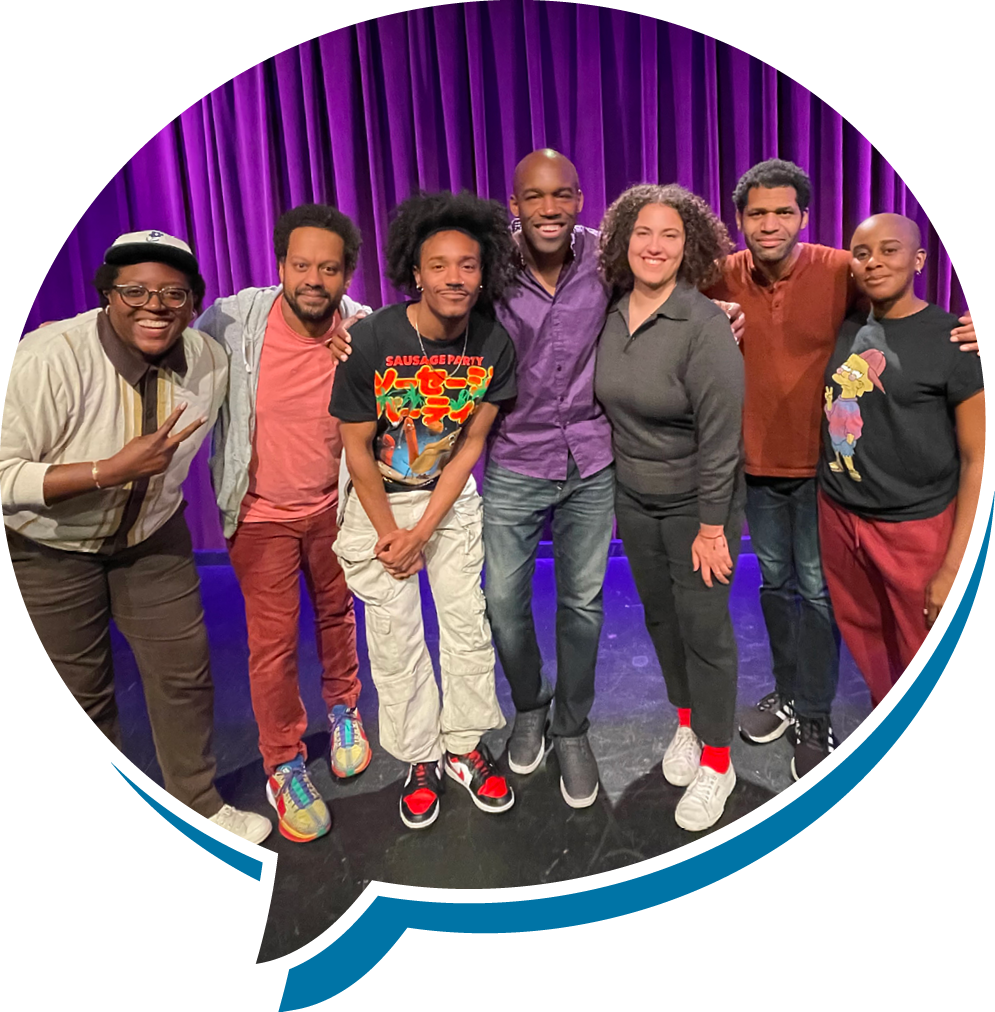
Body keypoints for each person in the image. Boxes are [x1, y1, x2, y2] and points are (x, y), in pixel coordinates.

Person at [325, 150, 745, 810]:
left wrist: (714, 305)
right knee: (502, 607)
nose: (549, 208)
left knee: (581, 608)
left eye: (563, 195)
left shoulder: (606, 259)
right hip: (515, 460)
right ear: (513, 203)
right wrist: (359, 323)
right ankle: (529, 707)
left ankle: (570, 729)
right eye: (533, 196)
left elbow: (659, 283)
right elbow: (439, 287)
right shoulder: (490, 264)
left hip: (592, 462)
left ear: (580, 200)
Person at [706, 158, 992, 792]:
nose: (770, 223)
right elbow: (651, 284)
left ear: (805, 218)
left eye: (784, 211)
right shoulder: (722, 273)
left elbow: (920, 326)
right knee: (776, 587)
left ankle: (814, 716)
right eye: (757, 213)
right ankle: (788, 692)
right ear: (740, 220)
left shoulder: (844, 270)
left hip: (823, 474)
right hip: (757, 471)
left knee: (818, 597)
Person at [0, 230, 271, 844]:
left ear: (193, 302)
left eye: (173, 293)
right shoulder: (53, 356)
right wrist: (107, 472)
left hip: (152, 538)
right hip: (48, 547)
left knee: (184, 676)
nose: (155, 305)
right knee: (77, 696)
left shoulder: (208, 359)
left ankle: (199, 804)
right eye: (136, 291)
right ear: (107, 296)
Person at [329, 191, 519, 830]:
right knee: (396, 638)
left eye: (467, 265)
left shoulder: (492, 343)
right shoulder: (374, 337)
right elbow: (355, 447)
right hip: (377, 500)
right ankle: (418, 759)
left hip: (448, 501)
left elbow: (470, 446)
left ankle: (464, 747)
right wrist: (391, 533)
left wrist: (424, 530)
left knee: (467, 626)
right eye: (439, 265)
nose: (455, 278)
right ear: (416, 270)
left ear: (483, 270)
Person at [198, 205, 371, 843]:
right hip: (261, 514)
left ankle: (345, 708)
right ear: (281, 266)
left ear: (347, 274)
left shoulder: (364, 329)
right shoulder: (233, 321)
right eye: (302, 265)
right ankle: (283, 763)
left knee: (337, 614)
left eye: (328, 268)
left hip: (335, 507)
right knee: (270, 645)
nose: (313, 279)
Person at [595, 185, 745, 833]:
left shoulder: (704, 323)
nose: (654, 247)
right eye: (643, 234)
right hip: (635, 500)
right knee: (661, 621)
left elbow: (721, 435)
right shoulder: (606, 312)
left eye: (670, 236)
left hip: (697, 508)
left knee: (704, 631)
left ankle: (718, 759)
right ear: (624, 240)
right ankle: (686, 725)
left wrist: (712, 526)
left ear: (690, 248)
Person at [818, 213, 991, 727]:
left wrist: (958, 568)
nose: (873, 262)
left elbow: (980, 461)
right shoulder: (848, 323)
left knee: (928, 653)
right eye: (862, 252)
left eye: (889, 250)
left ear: (919, 260)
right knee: (867, 640)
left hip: (915, 526)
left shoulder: (956, 339)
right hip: (840, 516)